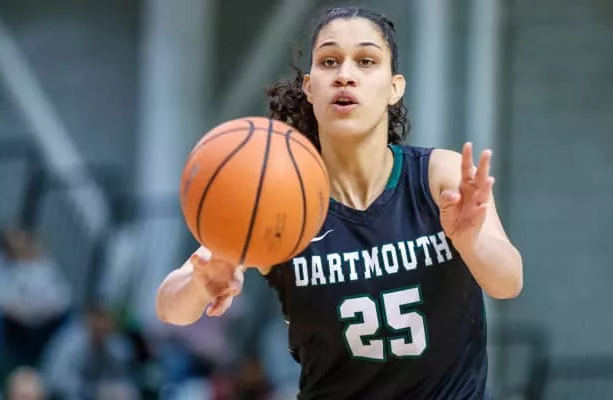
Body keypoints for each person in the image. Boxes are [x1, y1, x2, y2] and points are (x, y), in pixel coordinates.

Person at [156, 5, 523, 399]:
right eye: (330, 61)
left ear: (394, 87)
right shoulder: (282, 198)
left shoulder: (438, 177)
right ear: (310, 87)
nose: (345, 75)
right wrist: (200, 282)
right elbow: (169, 308)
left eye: (366, 61)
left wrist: (472, 242)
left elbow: (508, 282)